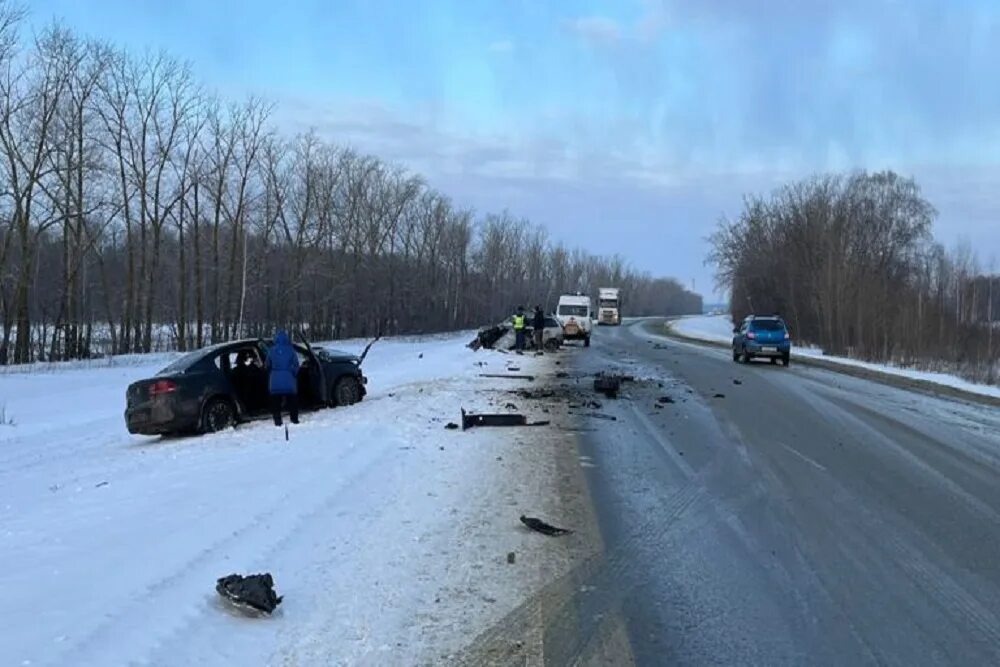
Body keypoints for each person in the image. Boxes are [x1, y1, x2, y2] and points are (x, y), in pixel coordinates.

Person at [265, 330, 300, 426]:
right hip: (289, 381)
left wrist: (272, 373)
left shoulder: (271, 350)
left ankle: (277, 421)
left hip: (275, 382)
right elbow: (296, 365)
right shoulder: (291, 350)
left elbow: (267, 365)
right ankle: (294, 420)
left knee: (275, 403)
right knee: (292, 401)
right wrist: (293, 373)